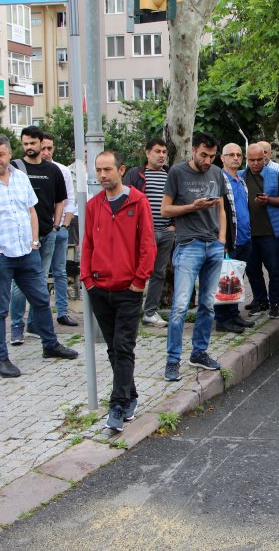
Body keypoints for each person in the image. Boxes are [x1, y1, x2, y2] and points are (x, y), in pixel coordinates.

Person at [0, 133, 78, 378]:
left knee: (40, 300)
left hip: (26, 252)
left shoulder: (20, 178)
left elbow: (31, 211)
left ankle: (50, 345)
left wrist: (34, 242)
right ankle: (0, 359)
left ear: (9, 153)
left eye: (1, 154)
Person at [82, 150, 156, 432]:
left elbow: (147, 244)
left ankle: (117, 405)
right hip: (99, 288)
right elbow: (87, 243)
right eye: (98, 170)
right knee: (114, 349)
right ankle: (131, 396)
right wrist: (87, 279)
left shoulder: (138, 201)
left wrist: (139, 280)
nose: (102, 175)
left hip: (128, 288)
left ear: (121, 170)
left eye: (107, 170)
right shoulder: (93, 205)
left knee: (124, 347)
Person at [161, 132, 227, 381]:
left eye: (212, 156)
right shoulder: (177, 173)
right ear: (193, 151)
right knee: (179, 307)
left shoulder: (217, 173)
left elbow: (221, 210)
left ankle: (199, 352)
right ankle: (172, 360)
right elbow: (165, 209)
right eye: (204, 155)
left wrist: (221, 240)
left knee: (208, 305)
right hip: (188, 245)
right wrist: (192, 207)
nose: (208, 160)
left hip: (213, 247)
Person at [8, 126, 67, 345]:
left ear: (41, 144)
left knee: (40, 282)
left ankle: (34, 324)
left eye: (33, 143)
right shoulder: (15, 167)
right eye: (25, 144)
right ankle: (16, 325)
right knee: (19, 285)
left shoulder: (53, 170)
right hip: (22, 237)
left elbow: (61, 199)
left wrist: (55, 224)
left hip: (47, 233)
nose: (29, 147)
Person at [123, 139, 175, 327]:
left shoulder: (170, 174)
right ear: (147, 153)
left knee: (159, 273)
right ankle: (130, 311)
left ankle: (150, 312)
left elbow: (179, 198)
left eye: (164, 152)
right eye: (157, 151)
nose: (161, 155)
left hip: (166, 231)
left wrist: (174, 225)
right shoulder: (135, 174)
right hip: (144, 233)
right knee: (136, 271)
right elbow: (125, 200)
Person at [241, 143, 279, 320]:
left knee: (275, 269)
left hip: (271, 232)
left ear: (265, 158)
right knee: (252, 270)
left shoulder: (274, 174)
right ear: (246, 159)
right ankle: (260, 300)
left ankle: (276, 303)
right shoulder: (241, 176)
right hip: (248, 234)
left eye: (259, 160)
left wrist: (269, 200)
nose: (255, 163)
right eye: (251, 160)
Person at [214, 143, 254, 333]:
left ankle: (234, 315)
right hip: (229, 239)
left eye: (239, 154)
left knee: (236, 279)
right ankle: (222, 320)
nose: (236, 158)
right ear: (222, 158)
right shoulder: (219, 179)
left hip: (244, 238)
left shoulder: (241, 181)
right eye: (231, 154)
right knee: (225, 280)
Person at [40, 133, 78, 327]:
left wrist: (63, 224)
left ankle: (62, 312)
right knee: (39, 274)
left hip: (60, 227)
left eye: (50, 148)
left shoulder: (61, 170)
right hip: (40, 230)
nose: (46, 152)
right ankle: (39, 316)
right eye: (43, 148)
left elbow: (70, 198)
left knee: (60, 272)